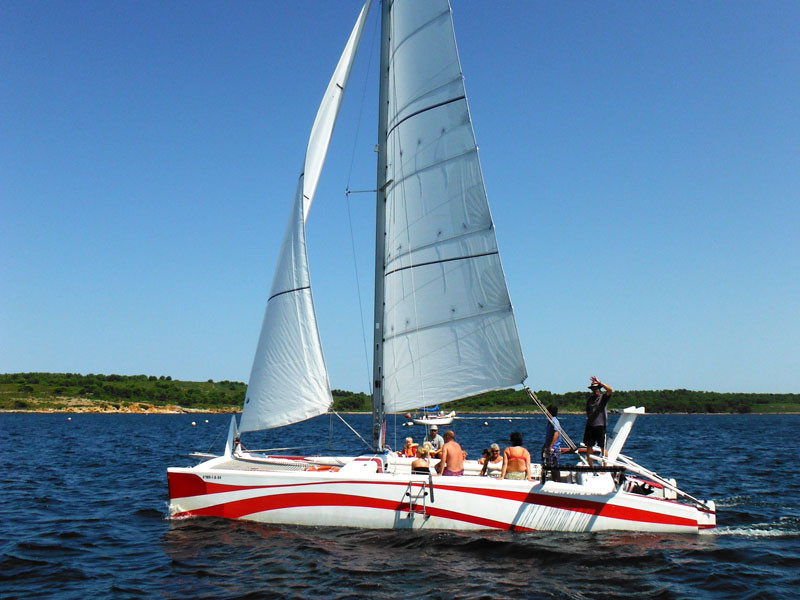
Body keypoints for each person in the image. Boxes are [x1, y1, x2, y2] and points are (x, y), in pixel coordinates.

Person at [583, 376, 613, 467]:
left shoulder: (603, 397)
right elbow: (588, 411)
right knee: (589, 446)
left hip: (600, 425)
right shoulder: (590, 399)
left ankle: (605, 467)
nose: (595, 390)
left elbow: (610, 390)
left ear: (599, 388)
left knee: (602, 447)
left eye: (596, 388)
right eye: (593, 388)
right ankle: (590, 466)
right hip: (590, 425)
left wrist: (600, 382)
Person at [542, 405, 562, 482]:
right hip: (549, 446)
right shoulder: (550, 421)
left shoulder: (554, 421)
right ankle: (553, 480)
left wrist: (551, 446)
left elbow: (556, 433)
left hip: (554, 448)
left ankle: (557, 481)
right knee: (549, 465)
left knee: (554, 466)